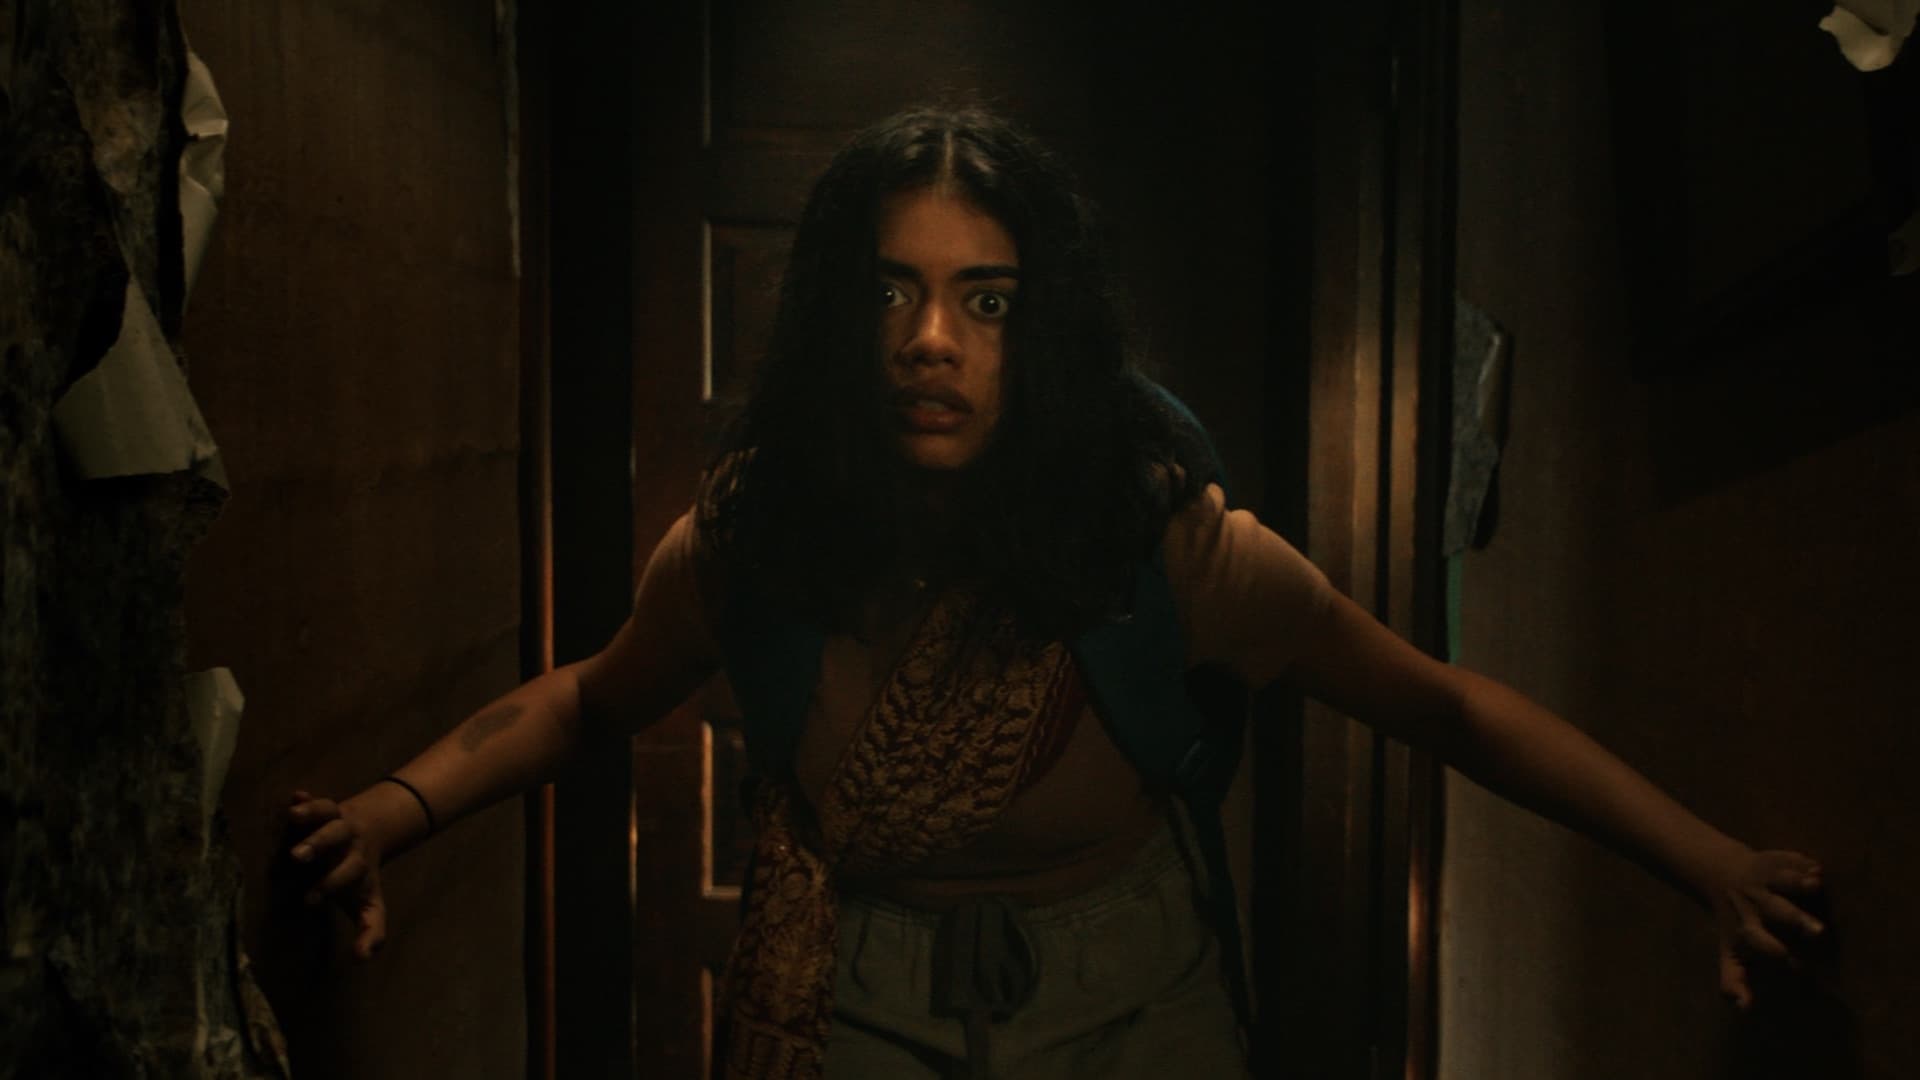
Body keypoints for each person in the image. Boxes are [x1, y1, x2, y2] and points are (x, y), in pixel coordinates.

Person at [286, 106, 1824, 1079]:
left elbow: (1447, 710)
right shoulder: (755, 541)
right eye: (892, 290)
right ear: (836, 320)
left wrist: (1713, 867)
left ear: (1045, 333)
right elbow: (586, 700)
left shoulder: (1160, 547)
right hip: (848, 1007)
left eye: (986, 299)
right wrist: (386, 817)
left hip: (1136, 1010)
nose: (931, 339)